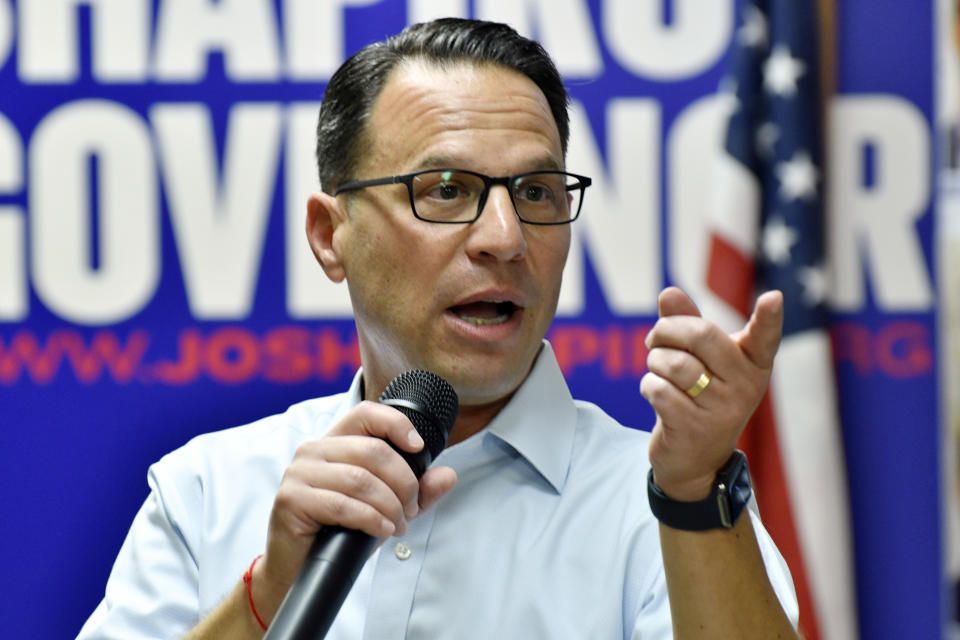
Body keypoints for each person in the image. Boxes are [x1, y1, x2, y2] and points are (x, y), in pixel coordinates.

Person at [78, 18, 799, 639]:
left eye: (537, 192)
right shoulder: (210, 491)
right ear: (331, 236)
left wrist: (695, 496)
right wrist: (263, 599)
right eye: (447, 190)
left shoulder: (667, 507)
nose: (505, 237)